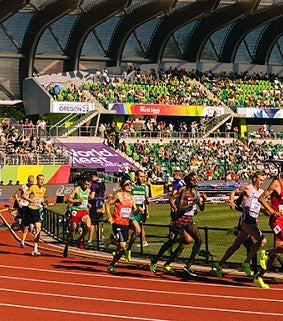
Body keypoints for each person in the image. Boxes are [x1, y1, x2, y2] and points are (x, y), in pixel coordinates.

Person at [150, 172, 207, 276]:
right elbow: (179, 206)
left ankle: (189, 265)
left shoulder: (197, 193)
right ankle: (155, 260)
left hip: (189, 220)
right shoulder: (184, 191)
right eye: (193, 180)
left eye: (196, 179)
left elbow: (201, 208)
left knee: (199, 240)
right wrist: (192, 203)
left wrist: (204, 201)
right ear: (188, 182)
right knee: (170, 242)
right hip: (179, 221)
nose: (196, 181)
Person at [215, 171, 267, 281]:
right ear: (254, 179)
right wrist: (231, 201)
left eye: (263, 180)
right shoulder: (247, 188)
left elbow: (259, 207)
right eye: (260, 179)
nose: (262, 182)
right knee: (262, 240)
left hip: (254, 221)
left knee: (236, 246)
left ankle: (220, 264)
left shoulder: (262, 192)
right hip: (246, 221)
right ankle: (246, 262)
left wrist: (266, 211)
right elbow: (234, 191)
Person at [105, 177, 144, 273]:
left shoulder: (132, 198)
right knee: (122, 245)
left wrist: (138, 210)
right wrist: (109, 216)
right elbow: (107, 204)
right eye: (127, 185)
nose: (129, 186)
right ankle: (112, 239)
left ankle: (112, 265)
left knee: (122, 249)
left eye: (130, 184)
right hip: (117, 222)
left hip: (126, 223)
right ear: (122, 186)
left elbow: (134, 212)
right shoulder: (119, 195)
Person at [255, 163, 283, 288]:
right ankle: (266, 253)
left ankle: (259, 276)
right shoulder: (277, 184)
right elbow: (261, 198)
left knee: (276, 254)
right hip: (276, 221)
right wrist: (272, 212)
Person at [125, 170, 150, 262]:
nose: (142, 178)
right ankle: (128, 250)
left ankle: (114, 241)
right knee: (138, 230)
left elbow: (146, 201)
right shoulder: (131, 187)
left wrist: (147, 212)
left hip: (140, 212)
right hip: (131, 212)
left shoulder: (145, 187)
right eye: (140, 176)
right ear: (136, 176)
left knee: (130, 234)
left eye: (143, 177)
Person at [63, 177, 91, 257]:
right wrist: (77, 201)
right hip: (76, 211)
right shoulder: (77, 189)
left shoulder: (88, 191)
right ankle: (66, 246)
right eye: (85, 184)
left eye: (88, 185)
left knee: (88, 226)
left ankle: (81, 238)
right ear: (82, 183)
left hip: (84, 211)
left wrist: (88, 204)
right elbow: (69, 199)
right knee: (72, 230)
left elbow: (86, 199)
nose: (87, 186)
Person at [22, 174, 47, 256]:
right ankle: (22, 238)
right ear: (37, 180)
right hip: (29, 210)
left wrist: (43, 203)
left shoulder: (43, 189)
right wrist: (31, 200)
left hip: (37, 211)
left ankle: (35, 248)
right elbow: (24, 195)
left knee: (38, 227)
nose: (42, 181)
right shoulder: (33, 187)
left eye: (43, 179)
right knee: (25, 227)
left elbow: (42, 198)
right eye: (40, 179)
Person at [13, 175, 35, 247]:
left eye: (32, 181)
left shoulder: (34, 187)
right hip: (23, 205)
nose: (31, 183)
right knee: (23, 222)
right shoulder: (23, 186)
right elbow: (15, 194)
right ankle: (18, 221)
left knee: (26, 224)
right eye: (30, 181)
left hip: (30, 205)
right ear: (28, 181)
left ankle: (29, 225)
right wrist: (18, 202)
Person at [88, 171, 106, 245]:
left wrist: (87, 193)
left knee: (92, 223)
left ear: (93, 176)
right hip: (101, 203)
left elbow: (92, 196)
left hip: (94, 204)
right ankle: (99, 239)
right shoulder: (102, 183)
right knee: (98, 223)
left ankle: (90, 239)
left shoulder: (94, 185)